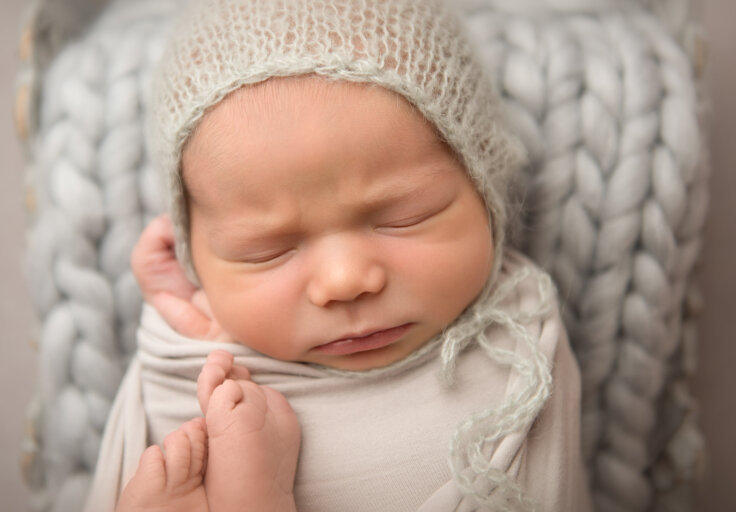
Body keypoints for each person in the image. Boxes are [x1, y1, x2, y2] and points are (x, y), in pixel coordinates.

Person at [85, 0, 592, 511]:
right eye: (265, 251)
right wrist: (200, 334)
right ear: (196, 256)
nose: (345, 280)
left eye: (405, 217)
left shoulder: (522, 345)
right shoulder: (192, 358)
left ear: (486, 192)